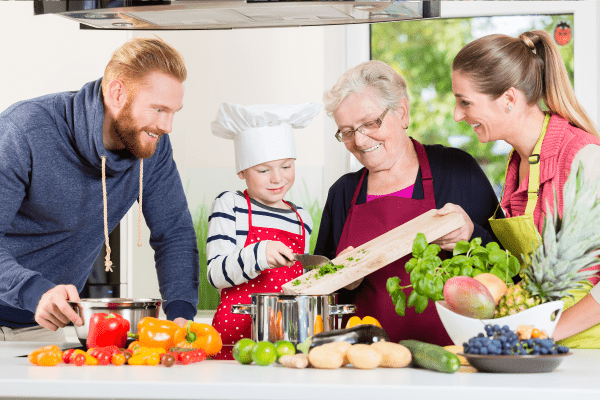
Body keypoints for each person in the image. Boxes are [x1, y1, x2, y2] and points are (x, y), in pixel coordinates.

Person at [0, 37, 200, 342]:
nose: (167, 126)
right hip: (29, 302)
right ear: (117, 92)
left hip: (47, 325)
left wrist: (181, 315)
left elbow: (174, 232)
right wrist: (34, 291)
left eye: (174, 112)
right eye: (159, 109)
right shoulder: (24, 130)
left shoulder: (152, 146)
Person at [313, 60, 500, 346]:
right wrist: (341, 280)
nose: (360, 141)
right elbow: (317, 294)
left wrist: (471, 234)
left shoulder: (455, 170)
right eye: (347, 132)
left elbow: (506, 267)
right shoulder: (343, 193)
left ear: (402, 112)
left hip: (455, 356)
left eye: (370, 123)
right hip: (366, 360)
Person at [452, 30, 600, 347]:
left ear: (509, 99)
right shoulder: (518, 162)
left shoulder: (584, 159)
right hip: (544, 346)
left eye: (465, 102)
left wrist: (544, 334)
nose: (457, 115)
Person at [207, 102, 321, 359]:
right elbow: (215, 274)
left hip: (285, 338)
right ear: (242, 171)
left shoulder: (302, 217)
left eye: (286, 166)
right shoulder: (231, 205)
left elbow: (299, 284)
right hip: (235, 340)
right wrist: (260, 253)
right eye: (263, 170)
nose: (277, 178)